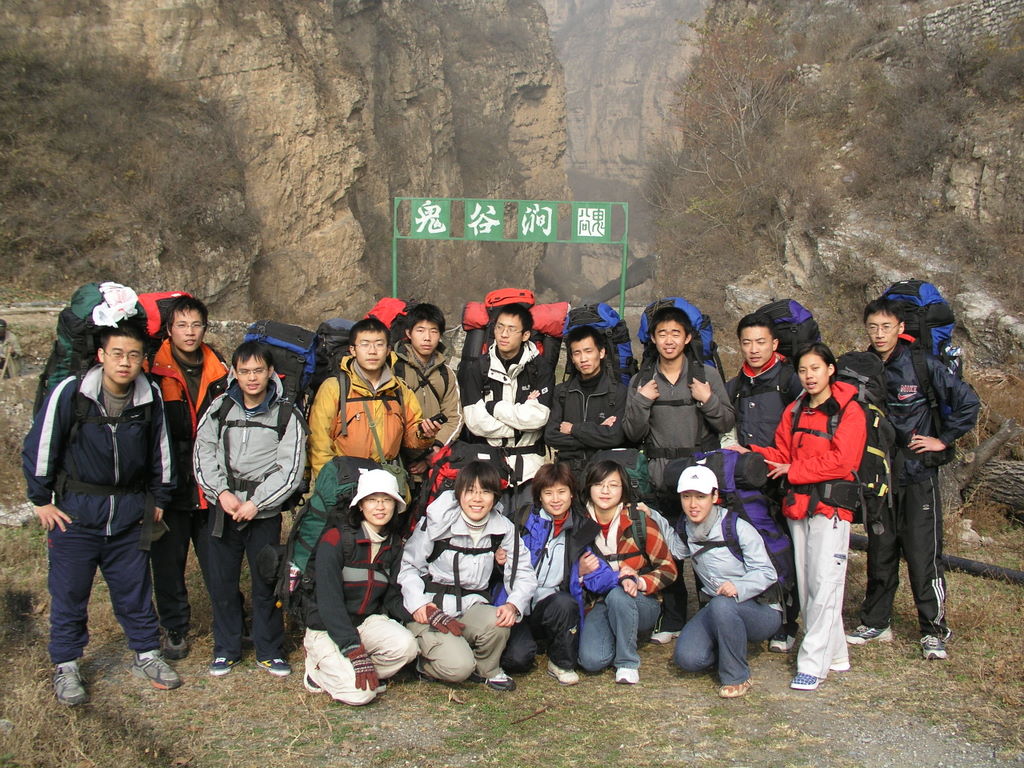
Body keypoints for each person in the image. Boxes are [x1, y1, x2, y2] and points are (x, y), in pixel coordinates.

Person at [22, 323, 179, 706]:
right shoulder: (72, 393)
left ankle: (147, 653)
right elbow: (42, 443)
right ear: (102, 356)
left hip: (128, 513)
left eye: (134, 355)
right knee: (69, 593)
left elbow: (162, 450)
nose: (125, 363)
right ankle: (66, 664)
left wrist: (160, 497)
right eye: (118, 354)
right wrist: (41, 500)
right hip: (76, 514)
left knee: (135, 590)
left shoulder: (149, 396)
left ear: (143, 360)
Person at [847, 299, 980, 660]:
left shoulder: (921, 364)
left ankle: (934, 630)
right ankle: (876, 622)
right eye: (873, 327)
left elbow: (968, 402)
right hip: (879, 479)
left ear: (900, 328)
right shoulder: (861, 367)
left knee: (923, 556)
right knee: (881, 551)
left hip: (917, 475)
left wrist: (943, 439)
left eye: (886, 327)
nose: (879, 334)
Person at [730, 342, 866, 691]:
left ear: (830, 370)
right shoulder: (795, 410)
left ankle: (812, 664)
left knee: (825, 582)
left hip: (830, 508)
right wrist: (750, 452)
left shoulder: (849, 411)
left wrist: (795, 470)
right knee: (808, 585)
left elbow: (843, 461)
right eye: (803, 370)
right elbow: (781, 453)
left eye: (815, 369)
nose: (809, 376)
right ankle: (836, 654)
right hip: (798, 506)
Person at [193, 341, 307, 677]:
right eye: (245, 371)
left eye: (258, 370)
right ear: (235, 373)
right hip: (224, 510)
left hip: (263, 514)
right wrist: (221, 493)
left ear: (271, 372)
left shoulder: (287, 414)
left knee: (266, 582)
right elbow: (203, 452)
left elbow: (291, 469)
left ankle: (269, 649)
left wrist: (257, 503)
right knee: (222, 582)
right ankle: (226, 649)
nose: (252, 378)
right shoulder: (220, 408)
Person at [622, 306, 735, 643]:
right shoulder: (642, 380)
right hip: (660, 476)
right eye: (662, 334)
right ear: (652, 339)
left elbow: (726, 421)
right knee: (666, 549)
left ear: (687, 338)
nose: (668, 340)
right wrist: (642, 401)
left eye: (675, 333)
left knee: (706, 544)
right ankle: (672, 619)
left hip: (699, 473)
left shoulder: (705, 375)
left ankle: (712, 614)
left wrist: (708, 399)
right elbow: (631, 432)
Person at [398, 461, 537, 691]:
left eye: (485, 492)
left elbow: (523, 571)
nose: (477, 499)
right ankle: (424, 663)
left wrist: (514, 604)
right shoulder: (437, 522)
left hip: (472, 605)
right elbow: (409, 566)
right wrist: (419, 604)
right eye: (470, 491)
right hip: (434, 607)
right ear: (459, 494)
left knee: (498, 621)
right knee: (458, 668)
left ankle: (486, 669)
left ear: (495, 497)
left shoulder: (503, 528)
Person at [148, 296, 229, 659]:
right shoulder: (154, 369)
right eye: (182, 325)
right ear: (169, 329)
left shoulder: (219, 369)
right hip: (170, 482)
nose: (190, 332)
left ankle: (229, 622)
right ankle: (175, 627)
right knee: (168, 562)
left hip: (210, 484)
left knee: (219, 561)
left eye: (196, 325)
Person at [302, 469, 419, 705]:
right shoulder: (335, 539)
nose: (380, 507)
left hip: (364, 623)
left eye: (387, 500)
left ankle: (348, 668)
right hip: (327, 628)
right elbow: (329, 601)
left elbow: (392, 597)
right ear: (360, 505)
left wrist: (422, 611)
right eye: (372, 499)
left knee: (407, 647)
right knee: (361, 694)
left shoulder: (393, 544)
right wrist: (353, 648)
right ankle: (316, 670)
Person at [497, 462, 618, 685]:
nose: (555, 499)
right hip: (515, 601)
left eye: (562, 491)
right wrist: (498, 559)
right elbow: (493, 554)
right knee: (517, 660)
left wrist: (624, 577)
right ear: (539, 496)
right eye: (548, 493)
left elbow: (597, 571)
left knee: (565, 603)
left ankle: (561, 662)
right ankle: (527, 642)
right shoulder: (522, 519)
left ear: (571, 493)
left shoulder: (581, 527)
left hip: (551, 603)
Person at [726, 312, 803, 653]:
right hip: (750, 482)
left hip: (786, 480)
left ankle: (789, 621)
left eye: (761, 342)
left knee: (787, 550)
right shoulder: (735, 386)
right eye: (747, 343)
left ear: (775, 343)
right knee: (756, 549)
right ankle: (761, 614)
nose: (754, 349)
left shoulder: (790, 381)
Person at [672, 465, 782, 698]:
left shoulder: (737, 527)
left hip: (761, 610)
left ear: (714, 496)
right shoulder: (684, 527)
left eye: (700, 497)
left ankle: (737, 676)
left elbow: (767, 572)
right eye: (686, 497)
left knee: (723, 603)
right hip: (717, 608)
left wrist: (739, 587)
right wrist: (651, 517)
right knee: (688, 659)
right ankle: (728, 646)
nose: (693, 504)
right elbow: (674, 550)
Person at [577, 460, 677, 684]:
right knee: (591, 661)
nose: (605, 491)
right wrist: (579, 571)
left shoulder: (638, 520)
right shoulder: (580, 523)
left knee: (619, 593)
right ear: (588, 487)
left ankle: (627, 662)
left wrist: (640, 581)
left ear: (623, 489)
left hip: (641, 601)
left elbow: (669, 568)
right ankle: (617, 633)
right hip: (600, 602)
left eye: (613, 485)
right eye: (598, 484)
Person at [307, 316, 435, 481]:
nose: (372, 351)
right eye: (365, 344)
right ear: (353, 350)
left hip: (388, 479)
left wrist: (424, 434)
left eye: (379, 344)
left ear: (388, 350)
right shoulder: (334, 388)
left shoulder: (399, 389)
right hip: (346, 479)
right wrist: (329, 483)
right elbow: (319, 442)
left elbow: (410, 436)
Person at [460, 303, 554, 503]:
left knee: (527, 518)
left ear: (525, 335)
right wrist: (520, 426)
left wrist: (494, 407)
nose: (503, 334)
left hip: (530, 468)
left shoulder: (540, 368)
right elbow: (475, 422)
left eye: (511, 329)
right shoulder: (478, 368)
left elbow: (538, 418)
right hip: (487, 464)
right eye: (499, 327)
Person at [392, 303, 463, 486]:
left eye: (433, 331)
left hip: (434, 460)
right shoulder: (393, 368)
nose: (427, 338)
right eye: (420, 330)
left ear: (440, 335)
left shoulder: (446, 374)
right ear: (408, 333)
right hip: (397, 460)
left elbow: (454, 417)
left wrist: (434, 451)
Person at [544, 325, 627, 474]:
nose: (583, 359)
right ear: (572, 358)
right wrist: (598, 433)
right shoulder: (562, 392)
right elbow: (551, 436)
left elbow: (616, 437)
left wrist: (573, 429)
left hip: (603, 474)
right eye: (577, 353)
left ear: (601, 352)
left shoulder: (618, 392)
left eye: (588, 351)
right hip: (567, 473)